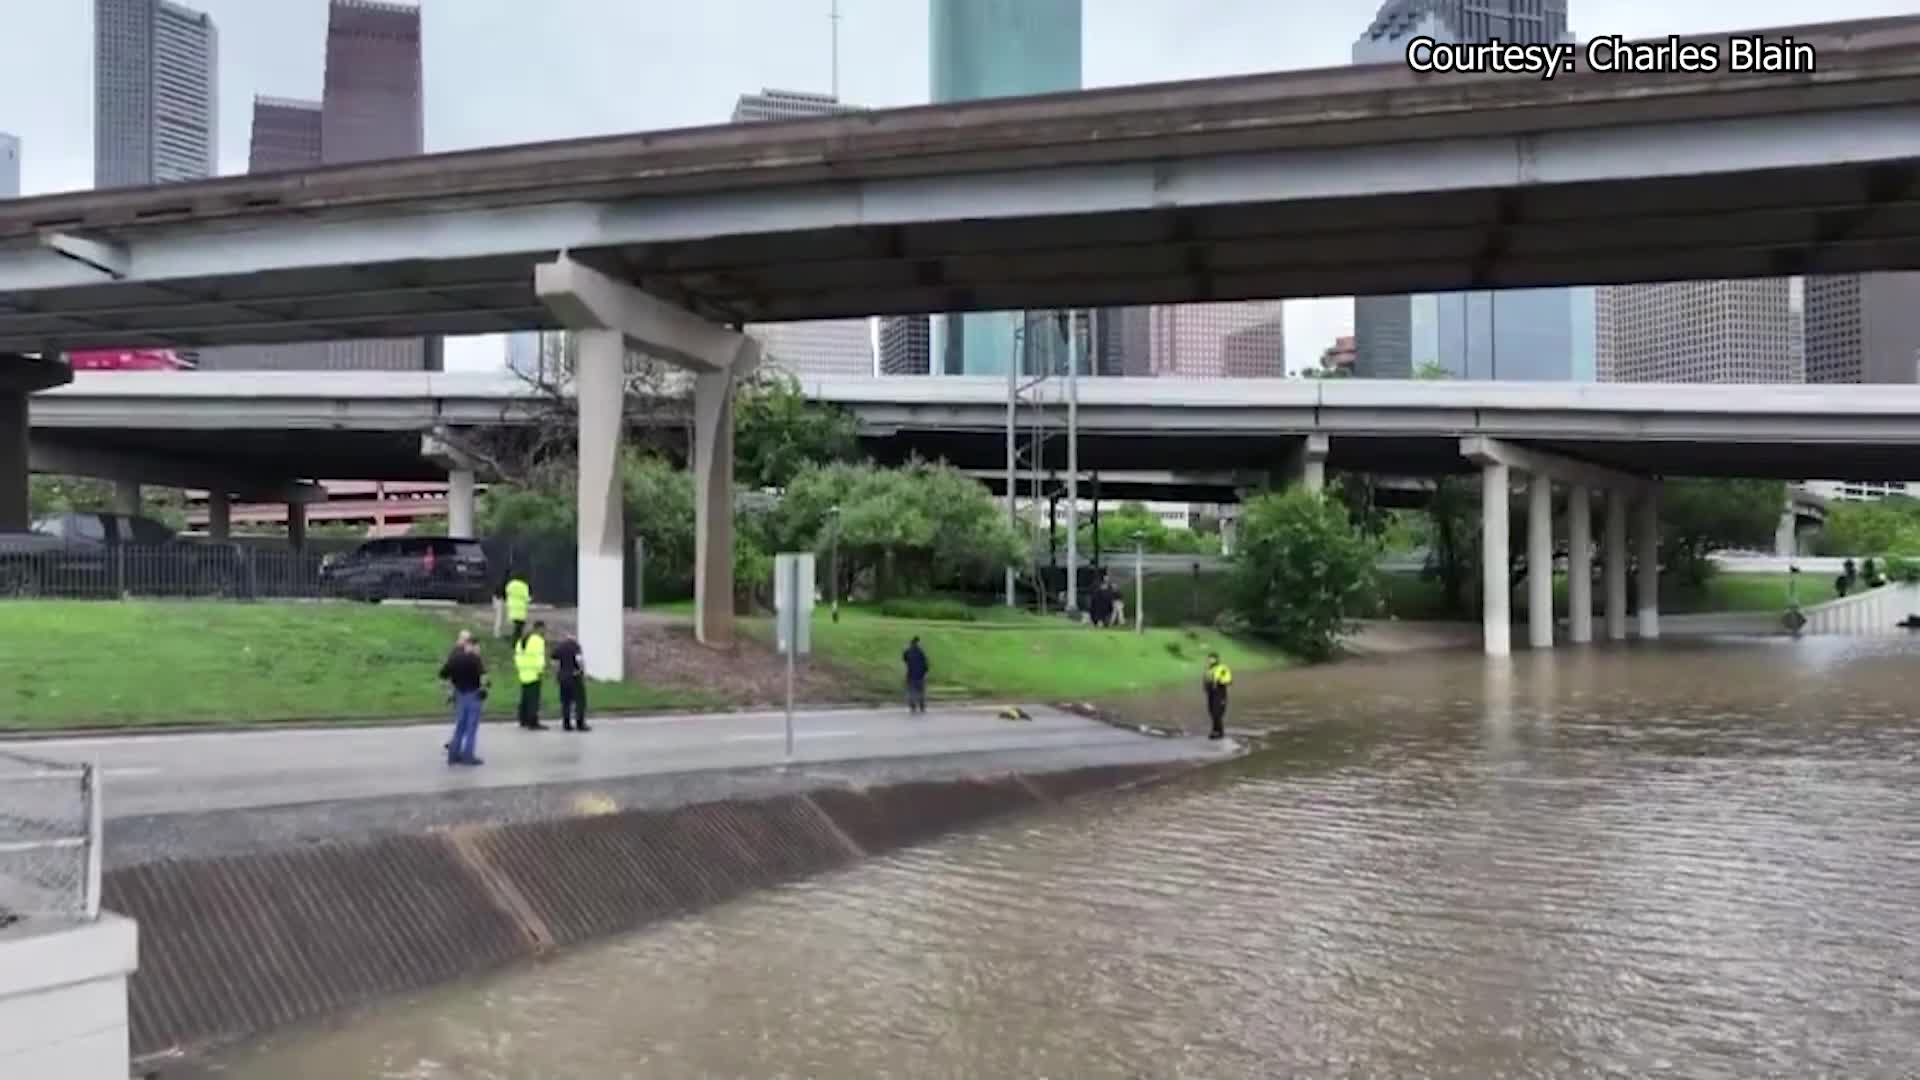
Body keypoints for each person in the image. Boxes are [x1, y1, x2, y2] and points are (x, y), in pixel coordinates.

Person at [439, 637, 487, 766]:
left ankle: (453, 755)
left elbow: (443, 675)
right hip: (473, 695)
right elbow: (483, 677)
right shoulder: (475, 659)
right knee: (471, 728)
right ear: (473, 646)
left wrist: (449, 690)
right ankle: (468, 756)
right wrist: (484, 689)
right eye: (478, 647)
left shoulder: (454, 658)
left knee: (460, 726)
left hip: (459, 694)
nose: (479, 650)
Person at [513, 619, 550, 731]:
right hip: (534, 673)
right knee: (533, 699)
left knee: (525, 697)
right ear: (539, 628)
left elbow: (517, 656)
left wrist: (520, 668)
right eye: (544, 629)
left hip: (523, 672)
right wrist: (540, 670)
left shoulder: (521, 640)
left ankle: (523, 719)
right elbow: (539, 657)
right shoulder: (538, 640)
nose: (545, 632)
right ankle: (533, 722)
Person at [552, 630, 590, 733]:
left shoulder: (559, 647)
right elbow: (579, 660)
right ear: (573, 637)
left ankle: (566, 723)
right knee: (580, 700)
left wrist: (556, 675)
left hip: (563, 677)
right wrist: (582, 672)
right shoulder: (575, 646)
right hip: (574, 677)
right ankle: (580, 723)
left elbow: (555, 663)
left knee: (565, 701)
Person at [1202, 652, 1232, 740]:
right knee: (1211, 711)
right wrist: (1205, 686)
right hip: (1211, 693)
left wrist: (1220, 681)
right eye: (1209, 658)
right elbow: (1205, 679)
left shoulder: (1222, 668)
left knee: (1217, 712)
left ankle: (1219, 732)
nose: (1210, 660)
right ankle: (1215, 730)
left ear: (1216, 659)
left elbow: (1229, 680)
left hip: (1220, 692)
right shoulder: (1208, 669)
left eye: (1212, 658)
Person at [902, 636, 929, 715]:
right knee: (921, 691)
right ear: (918, 642)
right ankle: (922, 706)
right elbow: (925, 664)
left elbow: (904, 659)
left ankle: (913, 706)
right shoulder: (921, 652)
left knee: (911, 691)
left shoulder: (908, 651)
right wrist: (925, 672)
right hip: (920, 675)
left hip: (910, 674)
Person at [503, 568, 532, 642]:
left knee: (514, 626)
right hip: (520, 609)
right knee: (519, 627)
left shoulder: (511, 584)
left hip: (512, 607)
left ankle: (512, 639)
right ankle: (516, 641)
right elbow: (526, 597)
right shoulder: (524, 586)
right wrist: (530, 599)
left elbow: (507, 592)